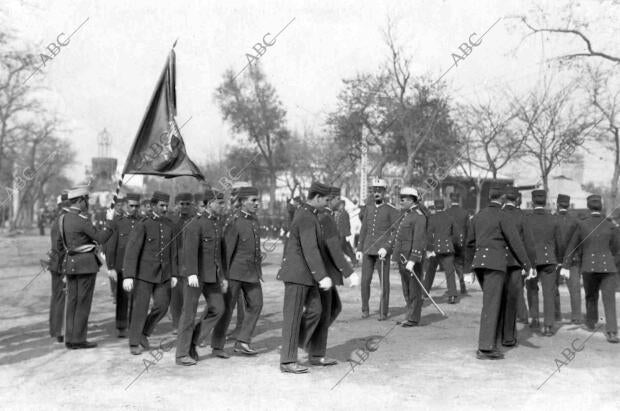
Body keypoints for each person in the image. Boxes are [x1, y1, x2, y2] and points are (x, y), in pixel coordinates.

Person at [467, 186, 532, 360]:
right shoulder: (503, 216)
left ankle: (491, 342)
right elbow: (515, 242)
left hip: (480, 264)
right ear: (503, 198)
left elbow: (469, 243)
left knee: (492, 302)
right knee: (492, 304)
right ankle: (486, 348)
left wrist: (469, 269)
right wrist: (527, 265)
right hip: (495, 264)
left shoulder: (478, 216)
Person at [278, 182, 333, 374]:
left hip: (306, 274)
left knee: (316, 310)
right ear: (317, 198)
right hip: (297, 274)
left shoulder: (310, 214)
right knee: (292, 317)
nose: (328, 203)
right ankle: (287, 360)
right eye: (326, 200)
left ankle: (303, 347)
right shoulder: (306, 217)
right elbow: (310, 249)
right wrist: (322, 276)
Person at [304, 186, 356, 366]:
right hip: (323, 272)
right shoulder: (325, 217)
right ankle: (313, 349)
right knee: (325, 311)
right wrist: (348, 272)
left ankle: (311, 345)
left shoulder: (321, 215)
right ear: (330, 199)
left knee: (332, 308)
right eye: (336, 199)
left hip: (321, 271)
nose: (339, 202)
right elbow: (333, 247)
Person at [57, 186, 114, 349]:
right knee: (83, 303)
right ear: (80, 201)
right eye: (86, 200)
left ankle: (70, 338)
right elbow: (100, 238)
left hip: (70, 264)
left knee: (72, 302)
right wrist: (110, 224)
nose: (87, 204)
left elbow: (60, 245)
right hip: (85, 265)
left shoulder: (63, 219)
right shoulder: (82, 221)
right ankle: (78, 339)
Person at [175, 189, 228, 366]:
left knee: (218, 308)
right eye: (219, 203)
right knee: (188, 313)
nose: (223, 206)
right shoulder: (195, 224)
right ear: (209, 203)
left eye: (223, 202)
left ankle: (193, 342)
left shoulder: (216, 223)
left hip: (211, 275)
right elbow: (189, 250)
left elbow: (218, 254)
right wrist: (191, 272)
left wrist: (222, 276)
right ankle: (182, 354)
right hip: (194, 276)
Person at [122, 191, 178, 355]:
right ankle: (134, 342)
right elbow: (132, 250)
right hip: (143, 274)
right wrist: (128, 275)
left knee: (162, 305)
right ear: (153, 206)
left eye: (166, 205)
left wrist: (173, 273)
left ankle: (144, 333)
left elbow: (173, 251)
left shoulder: (169, 224)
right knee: (140, 308)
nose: (165, 208)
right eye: (161, 205)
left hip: (163, 274)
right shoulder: (143, 224)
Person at [212, 186, 263, 355]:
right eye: (253, 200)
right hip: (234, 274)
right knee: (226, 308)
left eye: (257, 200)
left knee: (256, 304)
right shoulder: (234, 222)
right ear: (242, 202)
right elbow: (226, 253)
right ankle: (217, 345)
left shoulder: (254, 221)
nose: (257, 203)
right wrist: (223, 277)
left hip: (251, 274)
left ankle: (242, 341)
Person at [561, 194, 619, 343]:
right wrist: (611, 260)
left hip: (589, 266)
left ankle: (591, 322)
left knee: (591, 296)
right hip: (608, 267)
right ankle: (612, 332)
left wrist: (565, 265)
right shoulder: (610, 224)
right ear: (601, 207)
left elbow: (572, 246)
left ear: (588, 207)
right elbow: (616, 248)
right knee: (609, 299)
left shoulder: (582, 224)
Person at [356, 178, 399, 320]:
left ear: (385, 192)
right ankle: (365, 309)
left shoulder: (391, 210)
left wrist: (387, 248)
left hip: (382, 252)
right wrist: (359, 248)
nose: (377, 193)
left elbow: (395, 232)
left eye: (380, 190)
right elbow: (364, 229)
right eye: (374, 190)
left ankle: (383, 311)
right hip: (368, 250)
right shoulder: (368, 208)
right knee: (365, 281)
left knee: (384, 283)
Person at [523, 190, 563, 336]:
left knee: (532, 290)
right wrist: (559, 259)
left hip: (532, 260)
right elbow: (559, 242)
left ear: (533, 202)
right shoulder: (553, 219)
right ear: (545, 201)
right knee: (549, 292)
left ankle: (534, 319)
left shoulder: (526, 219)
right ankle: (548, 325)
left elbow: (523, 241)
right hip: (549, 259)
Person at [499, 188, 536, 346]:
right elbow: (529, 243)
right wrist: (530, 265)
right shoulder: (522, 216)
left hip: (497, 262)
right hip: (515, 263)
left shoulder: (497, 214)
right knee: (511, 300)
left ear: (504, 198)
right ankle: (508, 336)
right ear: (518, 200)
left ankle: (495, 334)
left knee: (497, 299)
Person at [105, 193, 142, 338]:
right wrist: (111, 267)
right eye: (131, 205)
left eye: (136, 206)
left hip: (139, 265)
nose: (134, 208)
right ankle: (121, 325)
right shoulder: (117, 223)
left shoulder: (142, 222)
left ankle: (134, 325)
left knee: (137, 297)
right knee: (122, 297)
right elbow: (111, 247)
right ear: (125, 205)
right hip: (122, 266)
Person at [393, 187, 427, 327]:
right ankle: (409, 315)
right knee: (406, 289)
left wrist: (413, 259)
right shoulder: (406, 215)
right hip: (403, 258)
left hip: (412, 260)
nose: (401, 201)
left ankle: (413, 318)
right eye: (401, 198)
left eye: (404, 198)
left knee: (414, 290)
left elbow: (418, 240)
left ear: (412, 200)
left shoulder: (419, 216)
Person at [424, 198, 461, 304]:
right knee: (450, 273)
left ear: (435, 207)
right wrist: (451, 244)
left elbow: (429, 235)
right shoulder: (450, 217)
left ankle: (424, 293)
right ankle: (452, 295)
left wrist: (429, 249)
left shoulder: (431, 218)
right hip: (448, 248)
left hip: (435, 249)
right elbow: (456, 235)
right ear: (443, 206)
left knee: (430, 272)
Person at [169, 192, 195, 333]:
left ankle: (187, 325)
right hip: (175, 263)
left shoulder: (195, 220)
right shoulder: (172, 220)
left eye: (187, 204)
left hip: (190, 264)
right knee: (176, 297)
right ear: (177, 205)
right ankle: (176, 324)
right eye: (181, 204)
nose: (184, 207)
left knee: (189, 298)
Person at [555, 194, 581, 324]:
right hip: (572, 260)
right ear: (569, 205)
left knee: (554, 288)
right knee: (575, 289)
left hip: (555, 259)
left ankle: (556, 314)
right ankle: (576, 316)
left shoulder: (552, 219)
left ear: (557, 204)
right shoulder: (576, 221)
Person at [48, 193, 69, 343]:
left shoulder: (58, 219)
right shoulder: (63, 221)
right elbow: (61, 247)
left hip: (56, 264)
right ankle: (59, 331)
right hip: (61, 265)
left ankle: (56, 330)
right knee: (61, 298)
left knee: (57, 297)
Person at [445, 192, 469, 294]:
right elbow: (468, 229)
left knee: (449, 265)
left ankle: (452, 289)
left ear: (450, 200)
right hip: (461, 242)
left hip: (449, 242)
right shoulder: (465, 213)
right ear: (458, 200)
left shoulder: (446, 212)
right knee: (459, 263)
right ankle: (461, 280)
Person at [335, 199, 357, 265]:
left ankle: (353, 260)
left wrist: (347, 234)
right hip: (339, 233)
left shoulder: (345, 213)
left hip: (343, 233)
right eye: (339, 205)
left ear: (343, 205)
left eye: (341, 205)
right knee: (345, 248)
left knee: (344, 247)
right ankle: (354, 259)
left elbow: (347, 224)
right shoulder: (338, 213)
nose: (340, 207)